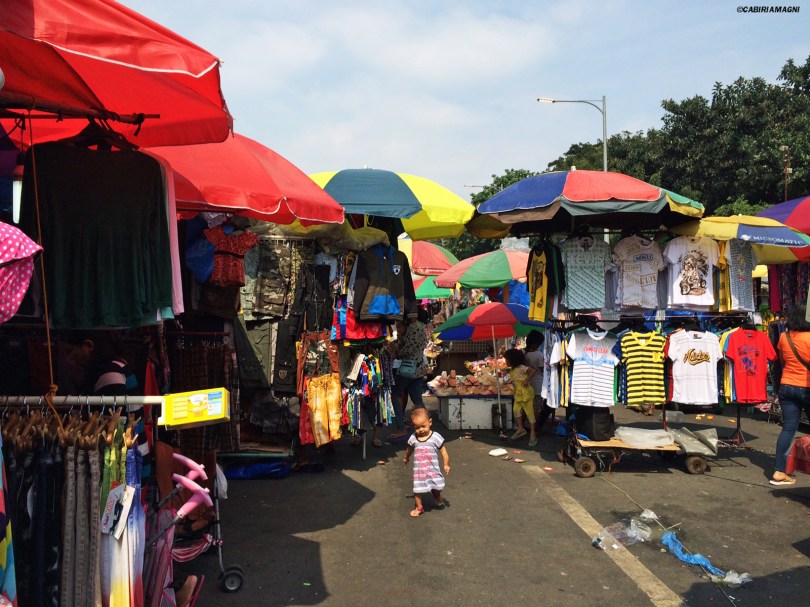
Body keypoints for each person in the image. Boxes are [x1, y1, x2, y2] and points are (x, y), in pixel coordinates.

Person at [771, 303, 810, 485]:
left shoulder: (784, 337)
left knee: (788, 429)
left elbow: (782, 362)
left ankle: (779, 471)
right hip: (807, 386)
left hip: (787, 386)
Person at [389, 307, 431, 440]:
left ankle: (401, 427)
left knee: (395, 394)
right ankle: (425, 426)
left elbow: (407, 350)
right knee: (417, 399)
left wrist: (396, 349)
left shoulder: (414, 327)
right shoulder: (421, 327)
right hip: (418, 368)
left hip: (408, 368)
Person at [403, 407, 450, 517]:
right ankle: (419, 507)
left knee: (437, 486)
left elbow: (443, 451)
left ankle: (437, 495)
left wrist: (446, 464)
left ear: (430, 422)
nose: (421, 430)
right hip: (419, 472)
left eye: (423, 426)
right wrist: (406, 457)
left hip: (432, 470)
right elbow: (409, 449)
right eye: (417, 427)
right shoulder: (413, 438)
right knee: (417, 489)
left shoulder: (435, 437)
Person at [503, 348, 537, 447]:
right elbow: (515, 379)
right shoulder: (512, 370)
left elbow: (533, 371)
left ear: (512, 359)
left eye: (507, 359)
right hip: (518, 394)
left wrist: (527, 380)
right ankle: (520, 428)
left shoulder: (522, 367)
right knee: (516, 411)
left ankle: (533, 434)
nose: (506, 361)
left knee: (530, 413)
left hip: (526, 394)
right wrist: (509, 381)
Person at [525, 331, 554, 437]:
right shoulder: (539, 355)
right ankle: (534, 427)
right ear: (536, 343)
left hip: (527, 383)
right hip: (538, 384)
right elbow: (543, 370)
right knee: (536, 408)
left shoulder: (524, 353)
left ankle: (526, 425)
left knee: (527, 405)